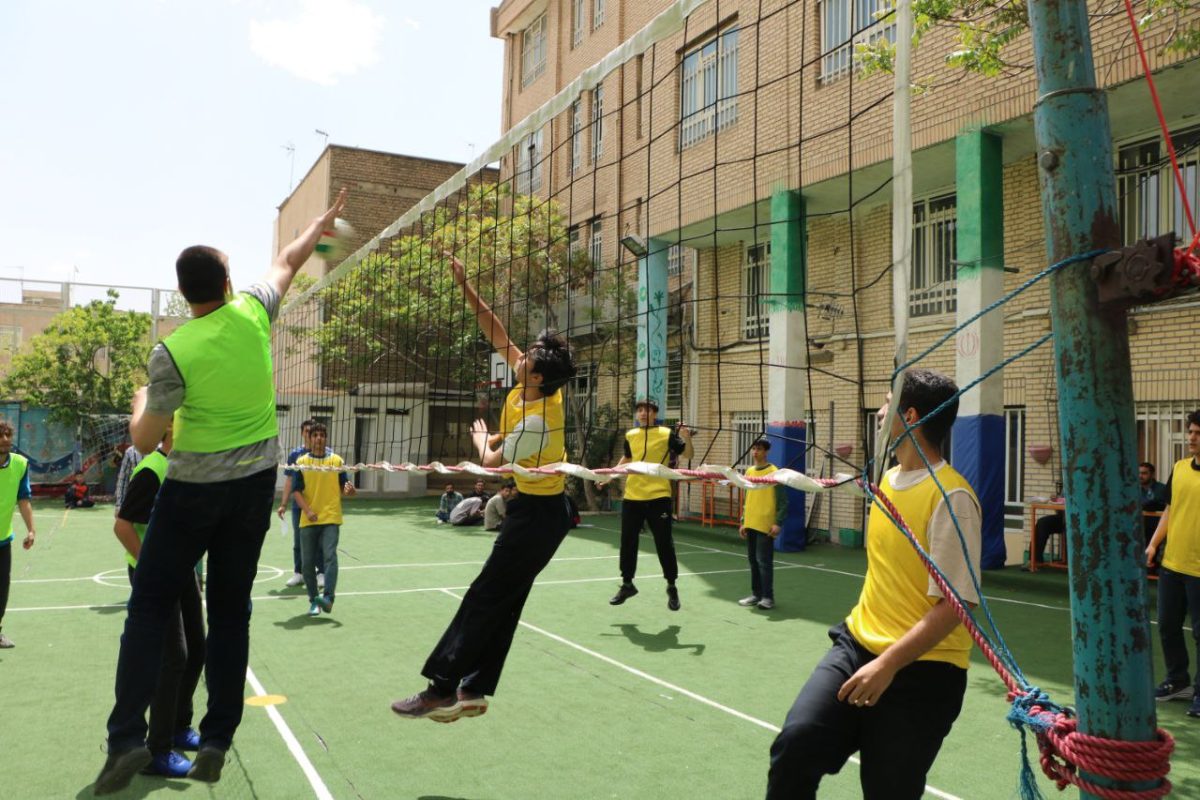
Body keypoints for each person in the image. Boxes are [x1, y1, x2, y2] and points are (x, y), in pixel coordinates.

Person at [92, 188, 348, 795]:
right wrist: (319, 224)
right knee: (232, 612)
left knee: (148, 608)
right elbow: (288, 259)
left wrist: (140, 400)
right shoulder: (253, 312)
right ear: (228, 283)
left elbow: (145, 438)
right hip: (252, 492)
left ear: (184, 294)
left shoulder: (172, 351)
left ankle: (127, 739)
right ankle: (216, 738)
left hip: (192, 493)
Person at [767, 369, 982, 799]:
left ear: (911, 415)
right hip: (857, 646)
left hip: (925, 671)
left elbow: (957, 605)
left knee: (889, 790)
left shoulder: (952, 497)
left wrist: (888, 665)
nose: (880, 413)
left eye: (887, 403)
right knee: (796, 745)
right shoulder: (887, 479)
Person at [391, 253, 576, 723]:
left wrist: (481, 441)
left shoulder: (537, 419)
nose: (518, 355)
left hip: (539, 518)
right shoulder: (531, 386)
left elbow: (493, 465)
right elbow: (495, 331)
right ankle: (473, 690)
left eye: (526, 356)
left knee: (483, 595)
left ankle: (440, 689)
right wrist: (464, 285)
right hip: (534, 511)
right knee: (504, 600)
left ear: (537, 375)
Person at [113, 425, 205, 778]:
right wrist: (151, 567)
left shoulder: (188, 470)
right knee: (173, 657)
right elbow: (122, 526)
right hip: (154, 575)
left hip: (181, 570)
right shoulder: (152, 470)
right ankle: (157, 750)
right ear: (171, 428)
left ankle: (179, 726)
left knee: (197, 648)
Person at [603, 399, 693, 610]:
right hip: (633, 497)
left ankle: (671, 586)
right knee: (627, 541)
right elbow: (627, 459)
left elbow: (688, 454)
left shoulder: (666, 433)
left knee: (664, 543)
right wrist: (610, 476)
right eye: (640, 410)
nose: (643, 413)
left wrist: (686, 437)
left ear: (655, 414)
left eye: (648, 410)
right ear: (637, 414)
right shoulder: (631, 435)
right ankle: (627, 584)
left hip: (658, 497)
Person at [1145, 411, 1200, 718]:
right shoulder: (1179, 468)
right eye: (1190, 431)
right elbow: (1169, 509)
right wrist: (1154, 544)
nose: (1191, 437)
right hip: (1173, 564)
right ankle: (1178, 680)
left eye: (1198, 433)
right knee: (1167, 626)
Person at [291, 422, 355, 616]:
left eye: (322, 435)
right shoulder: (302, 462)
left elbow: (346, 487)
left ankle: (328, 599)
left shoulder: (336, 461)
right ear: (310, 439)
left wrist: (350, 490)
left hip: (330, 517)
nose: (319, 438)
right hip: (309, 519)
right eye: (315, 435)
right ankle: (314, 601)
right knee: (307, 564)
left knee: (330, 556)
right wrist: (308, 511)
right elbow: (296, 491)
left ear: (326, 438)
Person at [738, 439, 788, 611]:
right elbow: (747, 497)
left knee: (764, 562)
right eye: (753, 449)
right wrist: (743, 521)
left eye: (759, 449)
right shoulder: (750, 471)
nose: (755, 452)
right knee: (753, 561)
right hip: (751, 522)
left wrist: (778, 522)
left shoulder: (774, 473)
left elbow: (783, 501)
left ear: (766, 452)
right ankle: (756, 595)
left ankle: (768, 598)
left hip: (765, 524)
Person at [277, 419, 325, 589]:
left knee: (318, 541)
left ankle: (321, 573)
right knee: (299, 541)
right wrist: (283, 504)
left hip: (318, 504)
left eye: (313, 431)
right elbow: (290, 480)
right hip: (299, 505)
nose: (310, 434)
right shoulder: (295, 455)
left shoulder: (326, 454)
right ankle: (299, 573)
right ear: (303, 434)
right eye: (307, 431)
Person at [0, 420, 36, 649]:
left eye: (8, 435)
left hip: (3, 540)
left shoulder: (20, 464)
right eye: (0, 435)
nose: (5, 439)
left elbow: (23, 499)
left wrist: (31, 529)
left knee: (2, 590)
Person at [113, 444, 143, 514]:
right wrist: (119, 505)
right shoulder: (130, 452)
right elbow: (123, 480)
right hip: (135, 500)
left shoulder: (162, 449)